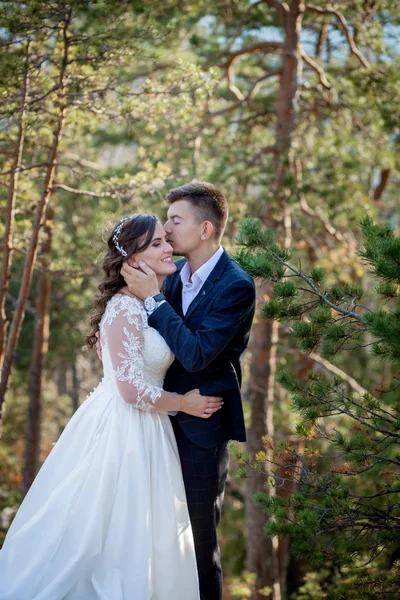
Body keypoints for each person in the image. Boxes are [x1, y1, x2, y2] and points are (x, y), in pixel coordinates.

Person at [0, 214, 223, 600]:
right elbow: (130, 389)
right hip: (125, 427)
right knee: (109, 533)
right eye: (156, 243)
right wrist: (183, 403)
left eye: (165, 240)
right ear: (132, 260)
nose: (168, 246)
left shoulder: (151, 303)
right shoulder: (123, 309)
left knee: (145, 534)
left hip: (150, 429)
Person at [121, 181, 256, 600]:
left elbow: (197, 354)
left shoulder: (236, 286)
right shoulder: (172, 273)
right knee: (154, 538)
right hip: (154, 422)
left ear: (205, 230)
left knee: (198, 543)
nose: (167, 229)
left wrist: (154, 302)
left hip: (201, 426)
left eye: (176, 220)